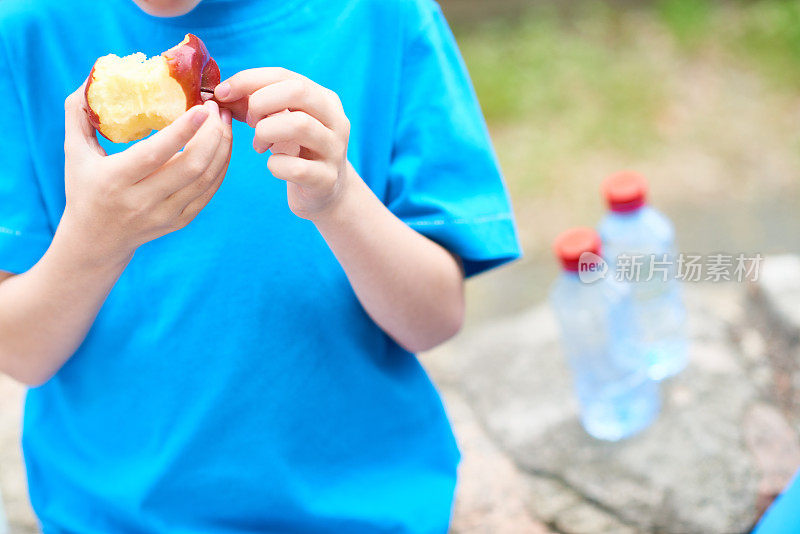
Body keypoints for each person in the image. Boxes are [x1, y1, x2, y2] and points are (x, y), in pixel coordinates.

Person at [0, 0, 520, 531]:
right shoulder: (24, 33)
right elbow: (19, 354)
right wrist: (93, 241)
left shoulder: (383, 17)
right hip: (112, 515)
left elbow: (434, 319)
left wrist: (339, 199)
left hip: (361, 506)